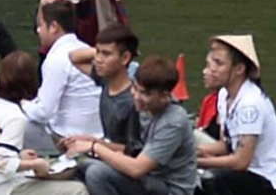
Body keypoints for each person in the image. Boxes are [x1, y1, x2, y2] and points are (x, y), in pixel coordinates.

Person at [76, 56, 198, 195]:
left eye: (146, 93)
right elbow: (132, 150)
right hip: (149, 177)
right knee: (82, 165)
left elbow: (137, 169)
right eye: (135, 88)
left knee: (97, 173)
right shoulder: (146, 108)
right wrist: (94, 142)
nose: (137, 97)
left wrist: (95, 148)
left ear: (164, 95)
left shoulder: (173, 122)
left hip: (170, 187)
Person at [0, 52, 90, 195]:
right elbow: (0, 163)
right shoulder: (15, 117)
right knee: (78, 190)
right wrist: (36, 164)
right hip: (3, 189)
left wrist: (19, 156)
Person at [196, 36, 276, 195]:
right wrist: (192, 151)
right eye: (210, 63)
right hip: (245, 174)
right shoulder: (224, 96)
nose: (210, 69)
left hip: (267, 179)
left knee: (212, 179)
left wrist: (197, 162)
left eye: (218, 63)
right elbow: (227, 144)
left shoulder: (250, 104)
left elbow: (241, 162)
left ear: (239, 69)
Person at [24, 0, 104, 140]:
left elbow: (44, 112)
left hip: (67, 136)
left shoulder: (56, 59)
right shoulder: (84, 47)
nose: (38, 30)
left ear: (54, 27)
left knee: (16, 120)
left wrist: (21, 104)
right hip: (98, 134)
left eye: (41, 25)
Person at [67, 27, 142, 151]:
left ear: (125, 58)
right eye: (97, 52)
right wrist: (90, 141)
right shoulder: (106, 81)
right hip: (106, 149)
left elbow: (133, 150)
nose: (98, 60)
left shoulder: (132, 100)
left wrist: (94, 145)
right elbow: (74, 57)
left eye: (106, 54)